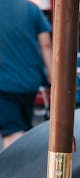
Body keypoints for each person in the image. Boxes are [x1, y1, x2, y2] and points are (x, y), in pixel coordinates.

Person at [0, 0, 53, 148]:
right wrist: (52, 76)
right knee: (24, 129)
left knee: (13, 132)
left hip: (3, 84)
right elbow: (46, 45)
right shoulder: (32, 9)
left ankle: (16, 170)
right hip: (30, 81)